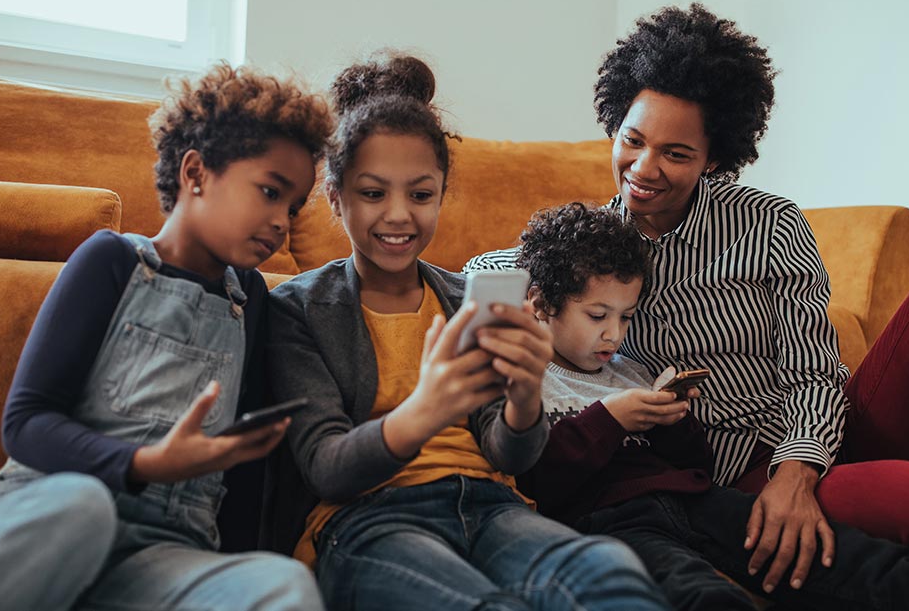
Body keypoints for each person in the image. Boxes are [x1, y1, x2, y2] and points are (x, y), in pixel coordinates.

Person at [465, 3, 909, 589]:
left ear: (714, 157)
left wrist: (795, 472)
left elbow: (814, 371)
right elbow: (485, 270)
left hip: (806, 445)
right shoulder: (591, 254)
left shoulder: (768, 222)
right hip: (722, 483)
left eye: (676, 153)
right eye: (633, 140)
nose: (643, 168)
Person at [0, 63, 334, 611]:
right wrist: (144, 465)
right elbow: (25, 424)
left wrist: (229, 565)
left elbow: (242, 474)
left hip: (160, 559)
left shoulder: (252, 298)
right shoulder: (111, 260)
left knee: (281, 584)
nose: (282, 221)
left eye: (293, 205)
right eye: (269, 191)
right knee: (83, 504)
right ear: (196, 173)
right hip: (54, 526)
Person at [265, 52, 670, 611]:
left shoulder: (463, 296)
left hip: (491, 507)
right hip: (371, 520)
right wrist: (426, 410)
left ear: (441, 194)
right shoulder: (296, 309)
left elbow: (511, 455)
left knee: (612, 575)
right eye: (373, 193)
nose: (400, 215)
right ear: (336, 198)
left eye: (421, 194)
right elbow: (327, 467)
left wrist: (525, 396)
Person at [515, 201, 909, 610]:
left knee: (860, 562)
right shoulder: (528, 372)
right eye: (599, 316)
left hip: (711, 495)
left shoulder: (631, 370)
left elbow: (693, 466)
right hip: (636, 517)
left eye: (626, 318)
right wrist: (610, 418)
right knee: (701, 592)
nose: (614, 334)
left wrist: (673, 418)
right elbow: (534, 475)